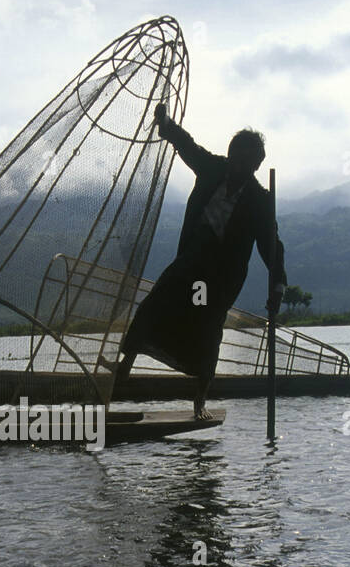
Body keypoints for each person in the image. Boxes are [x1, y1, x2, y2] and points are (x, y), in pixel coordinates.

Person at [115, 104, 286, 420]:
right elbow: (187, 145)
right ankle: (123, 367)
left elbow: (271, 246)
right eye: (236, 157)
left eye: (248, 161)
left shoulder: (260, 201)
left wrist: (278, 282)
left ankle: (200, 400)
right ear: (230, 154)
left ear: (257, 165)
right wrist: (165, 124)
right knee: (159, 299)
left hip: (222, 274)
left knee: (208, 329)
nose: (239, 165)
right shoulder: (213, 169)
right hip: (193, 258)